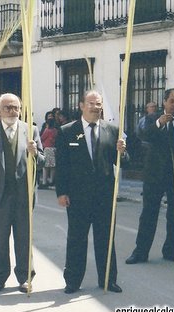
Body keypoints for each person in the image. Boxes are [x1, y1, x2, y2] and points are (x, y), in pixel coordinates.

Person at [55, 90, 127, 294]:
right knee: (77, 239)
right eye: (91, 103)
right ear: (81, 105)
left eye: (99, 104)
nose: (96, 107)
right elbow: (62, 165)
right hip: (77, 196)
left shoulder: (112, 130)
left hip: (104, 196)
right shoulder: (67, 131)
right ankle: (73, 281)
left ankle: (108, 279)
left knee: (106, 238)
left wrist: (123, 151)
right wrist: (61, 192)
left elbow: (122, 162)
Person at [0, 93, 45, 294]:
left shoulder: (31, 131)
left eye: (16, 107)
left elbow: (43, 162)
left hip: (23, 194)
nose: (12, 111)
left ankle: (25, 277)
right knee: (0, 238)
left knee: (24, 238)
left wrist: (35, 153)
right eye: (8, 108)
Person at [126, 88, 174, 265]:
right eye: (172, 101)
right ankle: (141, 252)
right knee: (149, 213)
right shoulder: (151, 118)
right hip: (154, 174)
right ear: (164, 102)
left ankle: (171, 251)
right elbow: (142, 135)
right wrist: (159, 123)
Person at [39, 116, 58, 189]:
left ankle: (44, 181)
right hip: (53, 148)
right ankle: (51, 180)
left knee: (45, 166)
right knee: (53, 166)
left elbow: (42, 138)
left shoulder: (47, 130)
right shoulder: (55, 130)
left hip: (47, 148)